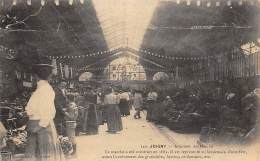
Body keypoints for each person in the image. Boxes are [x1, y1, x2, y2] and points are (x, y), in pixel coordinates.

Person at [25, 57, 65, 161]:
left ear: (36, 76)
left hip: (41, 127)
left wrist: (38, 127)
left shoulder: (45, 89)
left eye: (33, 76)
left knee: (43, 155)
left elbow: (49, 112)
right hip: (36, 126)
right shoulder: (41, 89)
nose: (33, 78)